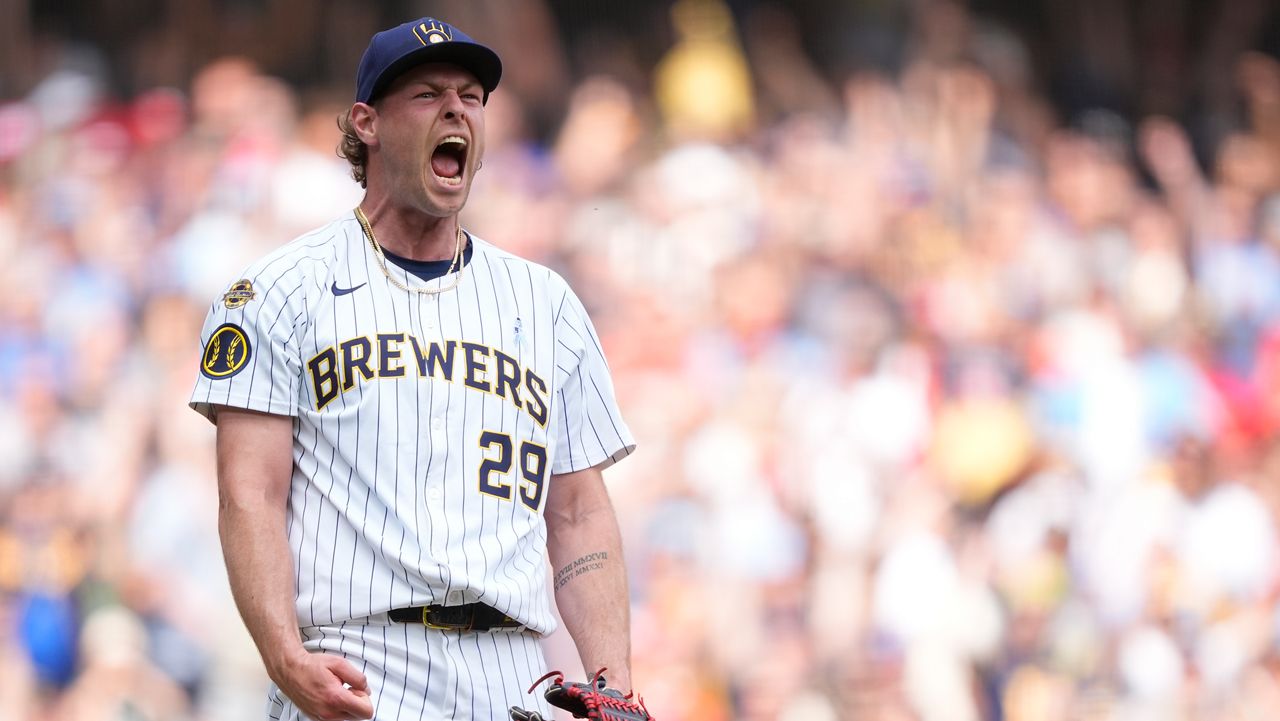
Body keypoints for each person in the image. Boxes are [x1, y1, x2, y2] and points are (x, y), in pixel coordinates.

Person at [189, 17, 637, 721]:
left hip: (514, 669)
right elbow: (249, 493)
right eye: (428, 94)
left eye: (472, 95)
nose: (458, 109)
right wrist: (283, 653)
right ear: (366, 123)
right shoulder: (278, 290)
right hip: (359, 661)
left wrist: (612, 681)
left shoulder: (545, 302)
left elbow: (578, 511)